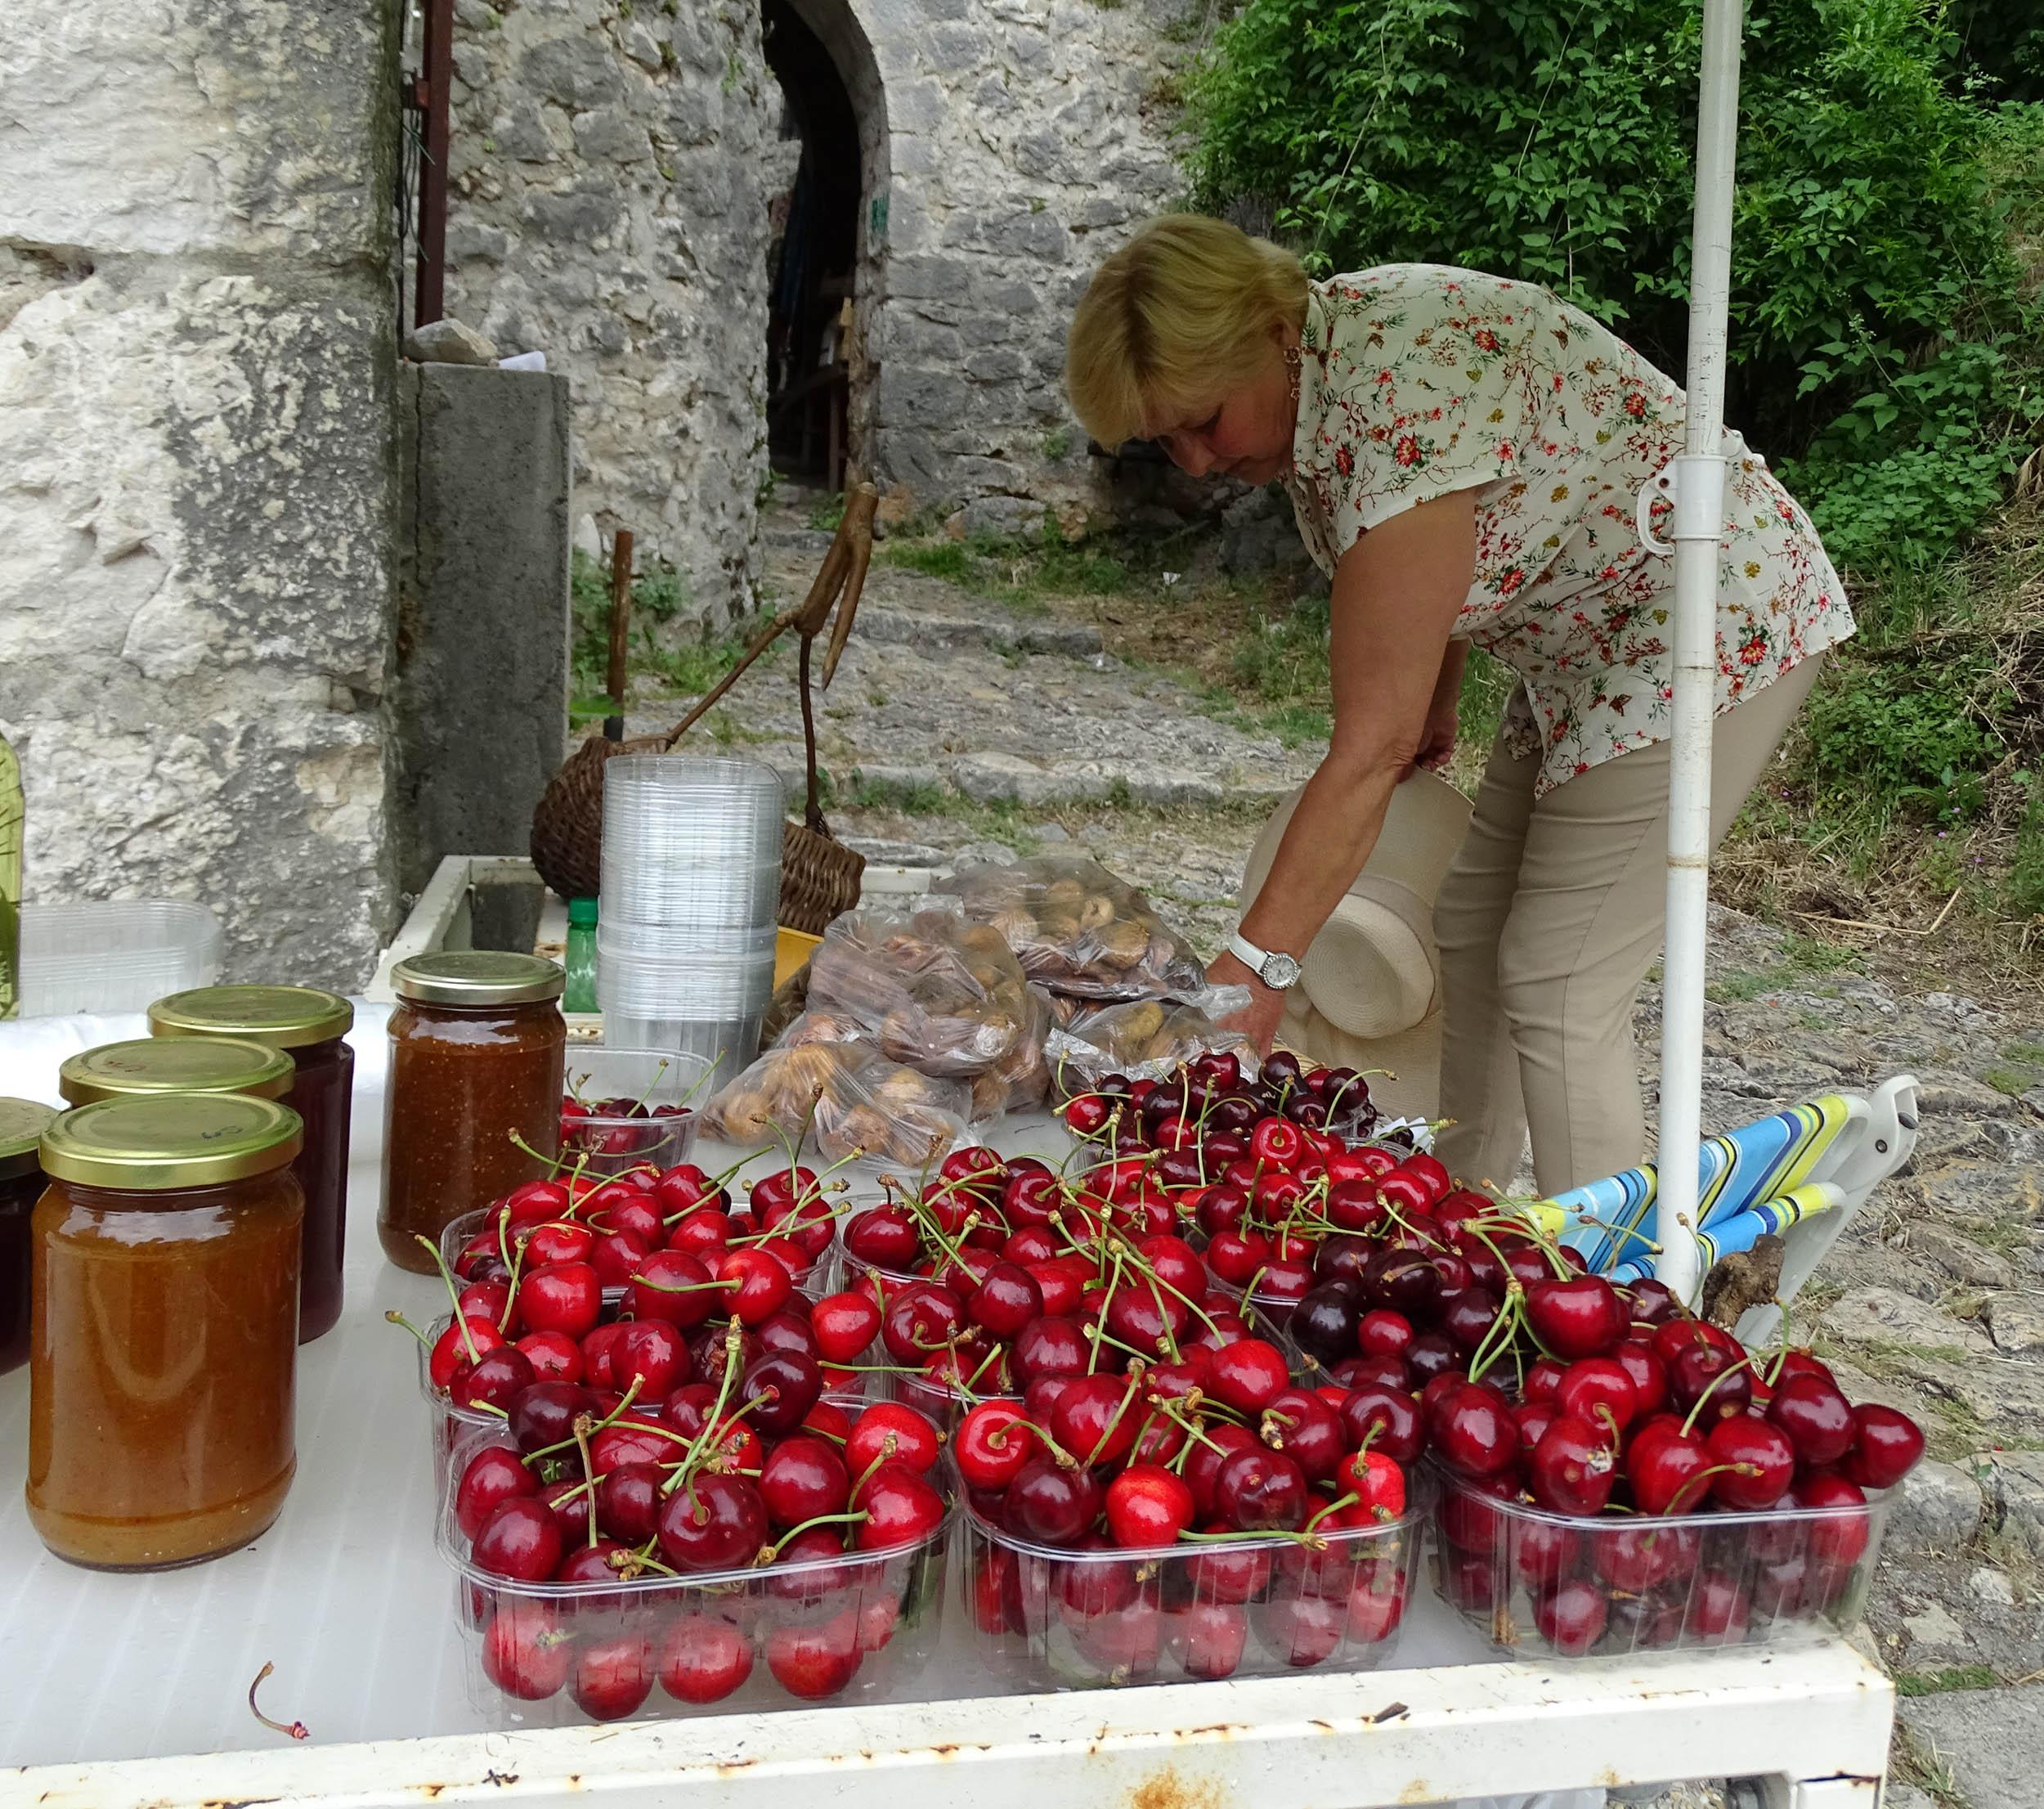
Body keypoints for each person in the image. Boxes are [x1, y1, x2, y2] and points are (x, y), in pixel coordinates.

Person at [1065, 214, 1853, 1197]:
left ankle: (1620, 1307)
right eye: (1163, 441)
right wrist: (1433, 688)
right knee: (1471, 926)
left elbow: (1368, 747)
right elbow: (1439, 561)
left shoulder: (1397, 389)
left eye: (1205, 420)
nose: (1193, 462)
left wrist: (1258, 971)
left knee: (1560, 981)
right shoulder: (1328, 368)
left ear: (1267, 333)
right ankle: (1461, 1219)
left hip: (1702, 621)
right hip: (1580, 648)